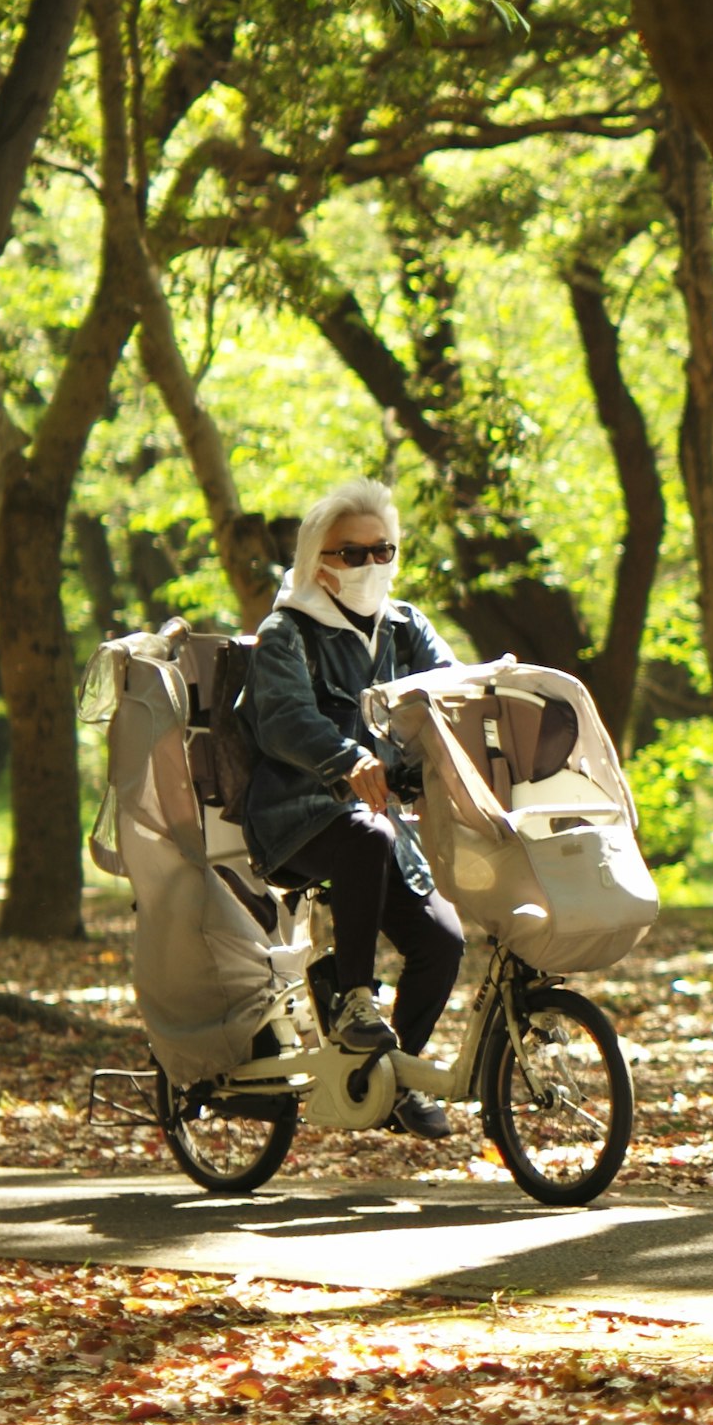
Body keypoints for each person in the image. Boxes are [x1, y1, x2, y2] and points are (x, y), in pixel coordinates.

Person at [239, 481, 462, 1137]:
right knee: (362, 832)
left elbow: (453, 691)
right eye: (353, 553)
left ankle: (387, 1081)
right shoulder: (288, 632)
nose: (371, 565)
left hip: (380, 828)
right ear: (320, 561)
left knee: (442, 944)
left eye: (382, 550)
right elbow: (282, 720)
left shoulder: (406, 626)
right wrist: (348, 759)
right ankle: (355, 1002)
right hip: (295, 817)